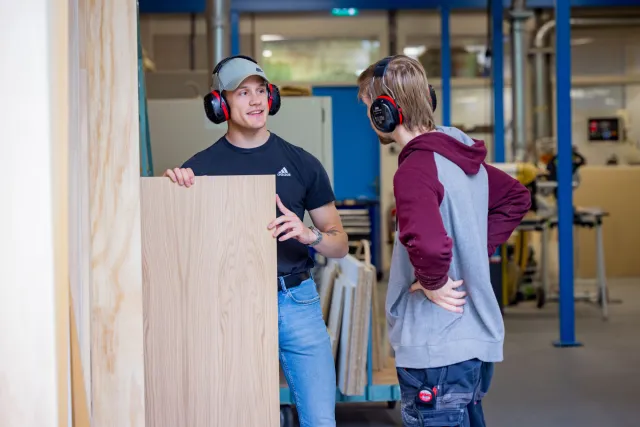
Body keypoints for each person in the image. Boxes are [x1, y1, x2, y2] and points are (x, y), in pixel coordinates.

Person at [163, 54, 348, 427]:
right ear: (220, 104)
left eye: (261, 91)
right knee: (240, 417)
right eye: (242, 92)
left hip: (297, 301)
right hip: (233, 303)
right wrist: (176, 192)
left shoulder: (302, 163)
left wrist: (309, 234)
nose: (255, 100)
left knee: (320, 421)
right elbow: (178, 249)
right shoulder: (200, 169)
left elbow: (339, 243)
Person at [357, 55, 531, 426]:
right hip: (471, 345)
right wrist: (473, 252)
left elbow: (432, 245)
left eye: (368, 107)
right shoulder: (459, 158)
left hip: (435, 349)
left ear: (384, 112)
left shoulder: (414, 169)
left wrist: (435, 281)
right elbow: (517, 198)